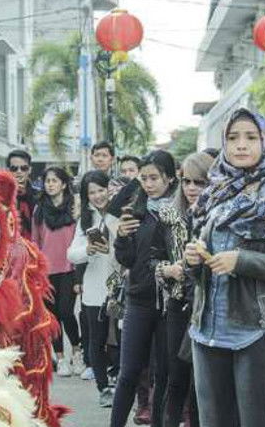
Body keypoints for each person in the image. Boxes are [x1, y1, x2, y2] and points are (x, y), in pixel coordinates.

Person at [183, 108, 265, 427]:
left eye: (251, 137)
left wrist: (244, 261)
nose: (241, 145)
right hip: (207, 332)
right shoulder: (215, 195)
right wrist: (193, 260)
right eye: (233, 137)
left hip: (256, 333)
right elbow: (201, 271)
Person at [110, 150, 179, 427]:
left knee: (162, 374)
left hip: (170, 302)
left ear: (169, 178)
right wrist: (122, 237)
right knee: (128, 373)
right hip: (138, 299)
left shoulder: (180, 211)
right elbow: (126, 259)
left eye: (154, 178)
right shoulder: (136, 209)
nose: (148, 184)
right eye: (144, 178)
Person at [156, 152, 213, 427]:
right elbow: (150, 260)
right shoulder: (168, 215)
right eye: (187, 181)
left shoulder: (220, 216)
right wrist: (166, 269)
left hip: (211, 305)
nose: (191, 188)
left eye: (199, 182)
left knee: (203, 384)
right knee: (176, 377)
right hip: (178, 304)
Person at [67, 170, 119, 407]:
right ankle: (103, 387)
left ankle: (120, 379)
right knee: (96, 342)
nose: (98, 196)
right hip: (94, 289)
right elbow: (71, 254)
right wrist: (87, 250)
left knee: (120, 339)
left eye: (101, 189)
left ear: (109, 188)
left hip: (120, 287)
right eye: (92, 192)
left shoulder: (120, 213)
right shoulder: (85, 221)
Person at [32, 166, 82, 377]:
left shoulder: (74, 207)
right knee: (52, 316)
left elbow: (80, 237)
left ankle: (77, 352)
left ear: (63, 184)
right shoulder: (39, 209)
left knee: (66, 312)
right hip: (47, 271)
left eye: (54, 180)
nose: (50, 184)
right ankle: (60, 358)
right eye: (47, 181)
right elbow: (35, 240)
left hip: (69, 268)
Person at [7, 149, 38, 240]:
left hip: (33, 249)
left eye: (24, 168)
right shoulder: (1, 198)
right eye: (14, 168)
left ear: (29, 170)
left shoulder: (40, 196)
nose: (19, 172)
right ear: (8, 170)